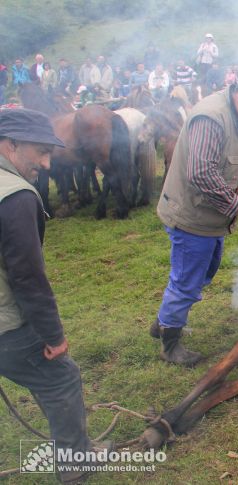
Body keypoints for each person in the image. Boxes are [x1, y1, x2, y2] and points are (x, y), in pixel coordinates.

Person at [0, 108, 106, 482]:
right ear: (11, 145)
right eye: (40, 151)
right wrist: (54, 336)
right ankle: (76, 467)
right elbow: (28, 278)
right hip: (6, 326)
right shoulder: (15, 196)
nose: (47, 163)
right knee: (61, 377)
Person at [150, 70, 238, 366]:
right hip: (191, 214)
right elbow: (200, 173)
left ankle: (165, 320)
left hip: (213, 217)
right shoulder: (211, 118)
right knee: (187, 280)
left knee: (201, 272)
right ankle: (170, 343)